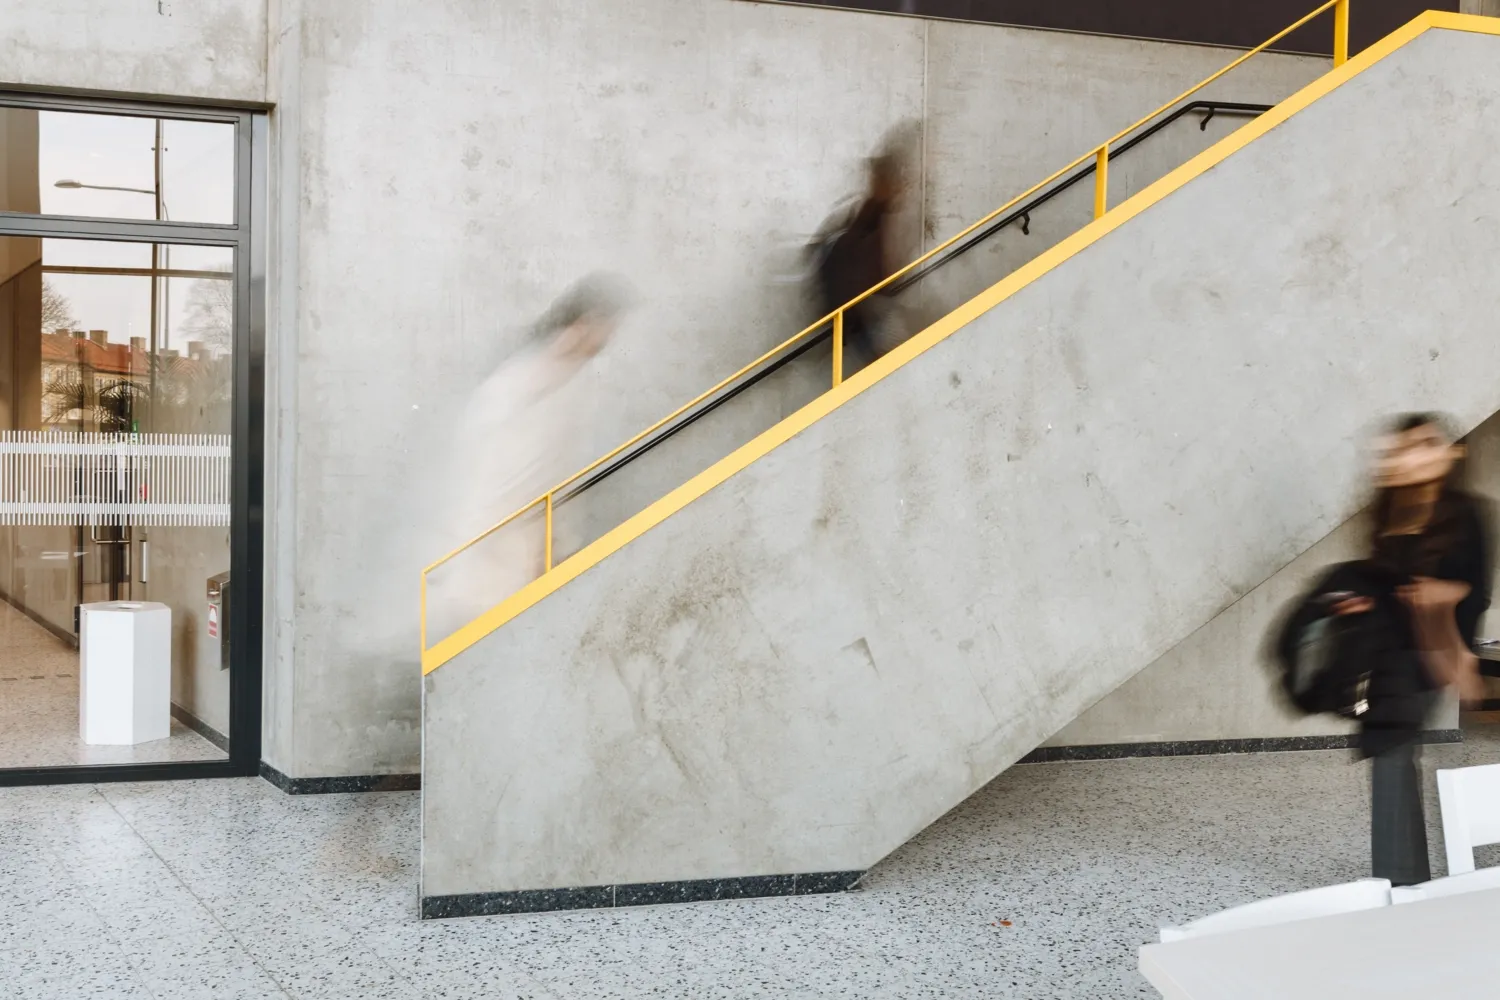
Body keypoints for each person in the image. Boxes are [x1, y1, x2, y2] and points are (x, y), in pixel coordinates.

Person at [1338, 413, 1491, 885]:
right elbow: (1383, 581)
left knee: (1391, 749)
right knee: (1392, 753)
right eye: (1408, 446)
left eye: (1429, 444)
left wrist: (1446, 597)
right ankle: (1406, 879)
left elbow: (1477, 589)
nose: (1417, 454)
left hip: (1435, 651)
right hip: (1389, 649)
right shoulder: (1389, 513)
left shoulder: (1467, 514)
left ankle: (1400, 882)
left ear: (1451, 453)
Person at [812, 136, 911, 378]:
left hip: (865, 310)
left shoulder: (874, 214)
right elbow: (872, 266)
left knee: (899, 362)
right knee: (901, 362)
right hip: (866, 309)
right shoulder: (870, 217)